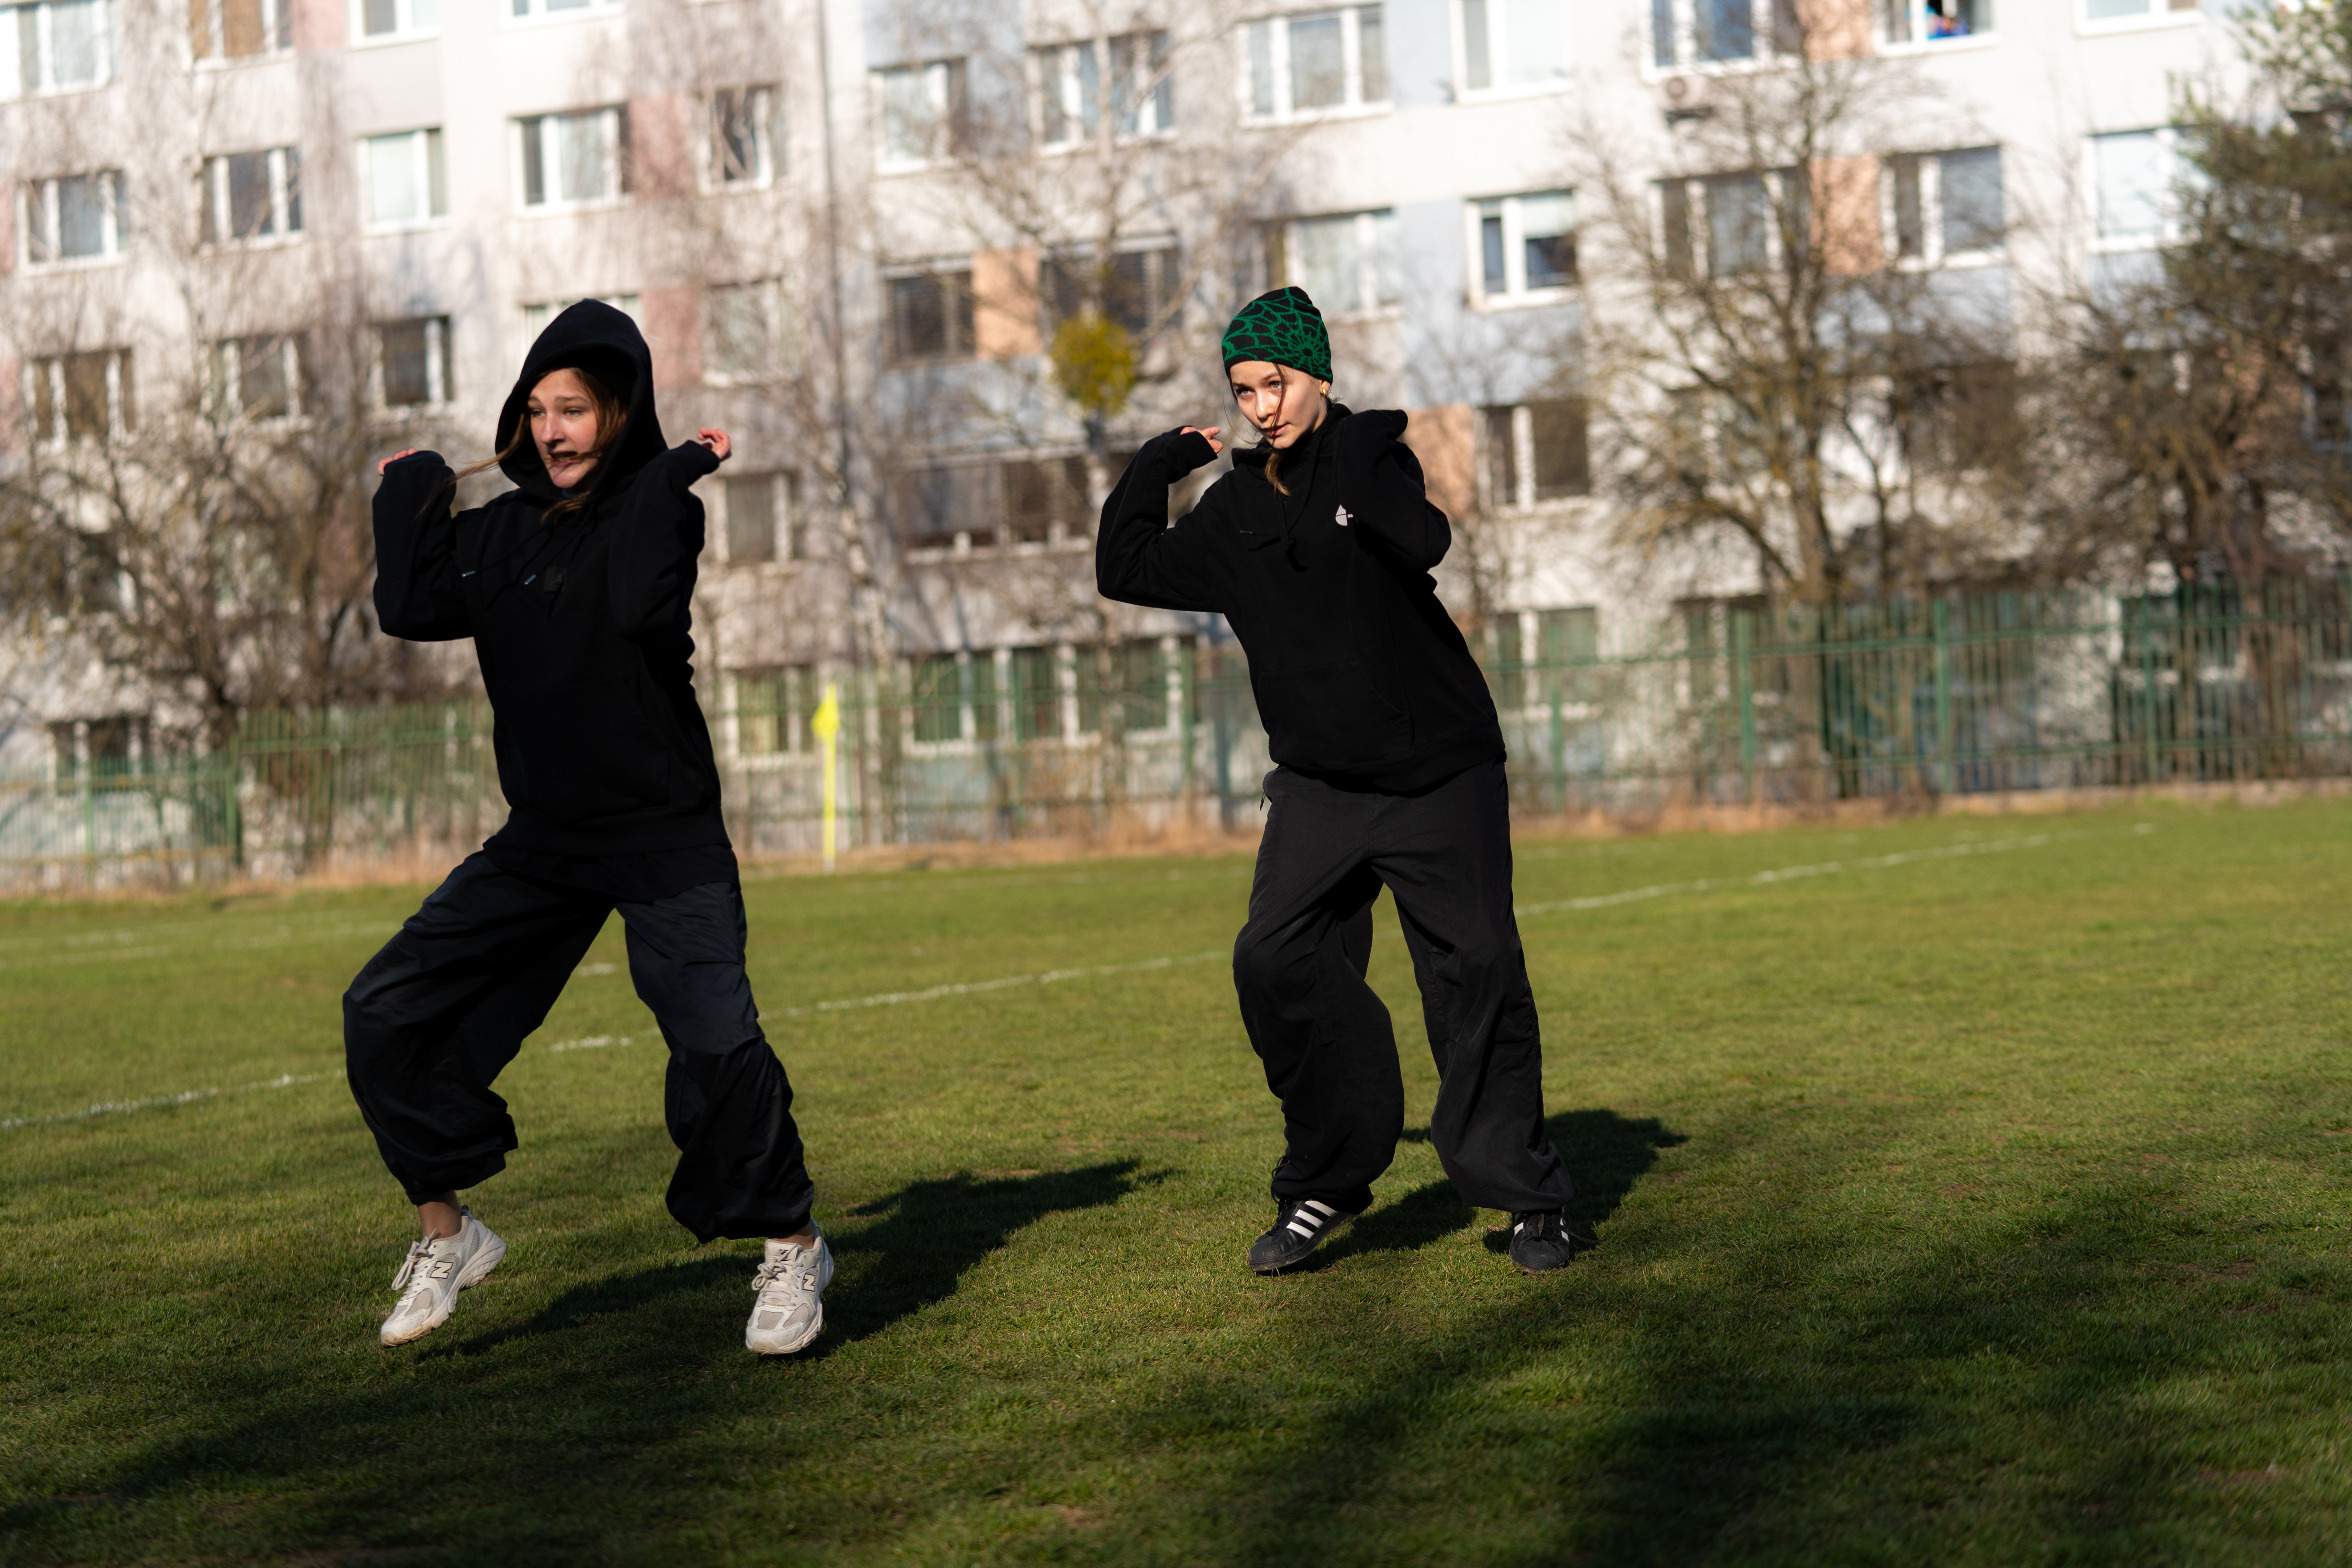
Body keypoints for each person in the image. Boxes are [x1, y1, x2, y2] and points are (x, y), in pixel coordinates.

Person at [345, 300, 831, 1354]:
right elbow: (411, 606)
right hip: (546, 843)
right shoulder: (502, 534)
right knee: (385, 1011)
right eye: (538, 411)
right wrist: (408, 495)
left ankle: (791, 1247)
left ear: (621, 415)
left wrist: (662, 483)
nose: (554, 430)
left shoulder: (658, 515)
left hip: (664, 836)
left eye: (575, 410)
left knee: (714, 1046)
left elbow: (635, 607)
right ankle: (451, 1233)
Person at [1096, 286, 1577, 1276]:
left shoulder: (1372, 461)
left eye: (1276, 382)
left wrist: (1359, 452)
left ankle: (1526, 1198)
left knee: (1476, 969)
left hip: (1441, 773)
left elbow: (1425, 540)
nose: (1261, 405)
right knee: (1272, 961)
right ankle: (1326, 1176)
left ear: (1315, 374)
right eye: (1244, 390)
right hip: (1320, 787)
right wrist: (1155, 466)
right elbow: (1126, 567)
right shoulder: (1231, 513)